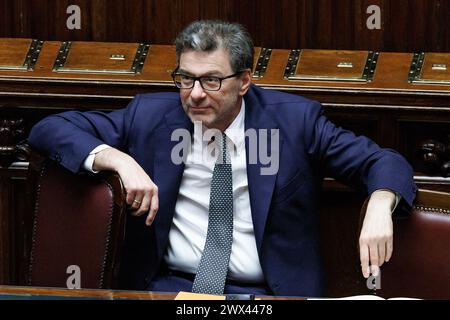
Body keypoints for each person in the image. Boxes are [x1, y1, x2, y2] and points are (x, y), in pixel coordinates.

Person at [28, 20, 416, 297]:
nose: (195, 94)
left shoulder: (294, 121)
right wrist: (119, 160)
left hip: (268, 296)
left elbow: (383, 161)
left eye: (212, 80)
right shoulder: (149, 117)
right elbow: (49, 129)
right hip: (172, 291)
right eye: (185, 78)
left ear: (244, 81)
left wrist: (380, 202)